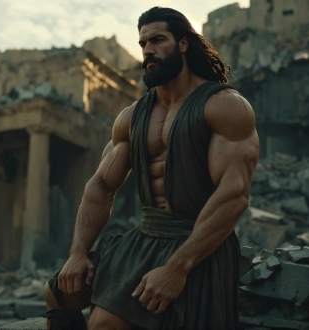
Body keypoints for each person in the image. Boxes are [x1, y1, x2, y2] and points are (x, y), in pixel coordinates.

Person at [44, 6, 260, 330]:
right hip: (147, 234)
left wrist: (177, 268)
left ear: (183, 44)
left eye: (158, 40)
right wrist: (78, 253)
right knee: (59, 292)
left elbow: (234, 194)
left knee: (105, 324)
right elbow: (101, 185)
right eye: (143, 43)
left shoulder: (224, 105)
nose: (148, 50)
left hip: (197, 242)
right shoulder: (133, 116)